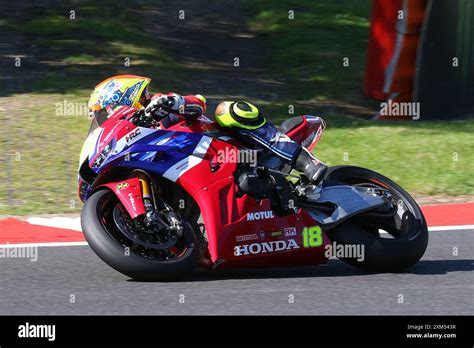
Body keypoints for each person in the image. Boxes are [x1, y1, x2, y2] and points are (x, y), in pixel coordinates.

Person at [88, 75, 327, 184]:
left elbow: (198, 102)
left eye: (103, 111)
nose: (104, 118)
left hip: (232, 151)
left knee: (228, 110)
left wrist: (172, 104)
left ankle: (307, 163)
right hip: (195, 174)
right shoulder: (130, 141)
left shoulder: (158, 103)